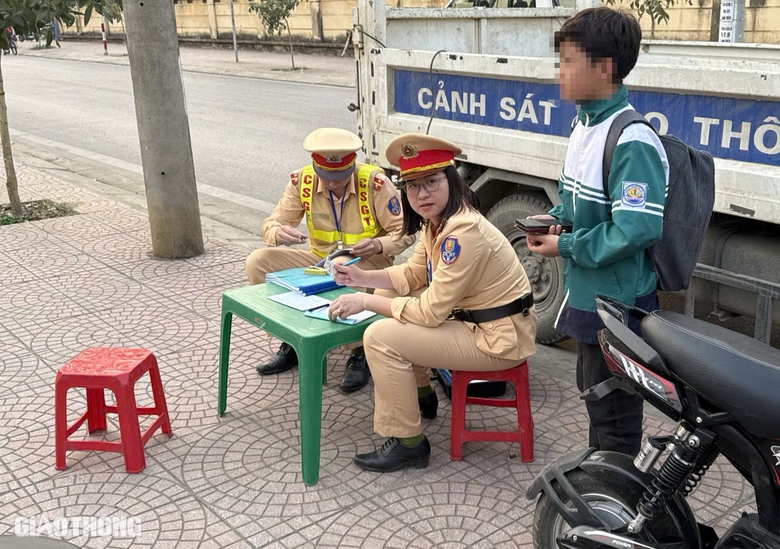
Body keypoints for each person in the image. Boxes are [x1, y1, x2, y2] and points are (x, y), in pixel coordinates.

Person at [327, 134, 537, 472]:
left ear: (451, 180)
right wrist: (360, 280)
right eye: (411, 186)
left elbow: (430, 312)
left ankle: (410, 443)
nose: (421, 194)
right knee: (387, 295)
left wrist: (363, 302)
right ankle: (421, 392)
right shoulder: (437, 223)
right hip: (478, 324)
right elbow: (413, 274)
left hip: (497, 338)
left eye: (431, 182)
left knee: (378, 337)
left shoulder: (461, 232)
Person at [526, 7, 669, 457]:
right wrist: (555, 219)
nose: (560, 72)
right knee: (597, 399)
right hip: (589, 296)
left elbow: (636, 229)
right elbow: (575, 201)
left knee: (616, 413)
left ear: (603, 68)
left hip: (618, 306)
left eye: (569, 61)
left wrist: (565, 244)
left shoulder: (632, 139)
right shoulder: (584, 126)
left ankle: (619, 503)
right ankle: (601, 482)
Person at [246, 128, 415, 393]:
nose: (333, 184)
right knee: (258, 261)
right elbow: (271, 222)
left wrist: (378, 244)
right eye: (327, 178)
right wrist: (278, 233)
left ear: (352, 166)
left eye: (341, 178)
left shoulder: (375, 183)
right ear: (315, 167)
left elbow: (405, 231)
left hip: (365, 261)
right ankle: (291, 340)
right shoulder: (301, 181)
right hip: (318, 260)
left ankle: (359, 351)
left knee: (357, 280)